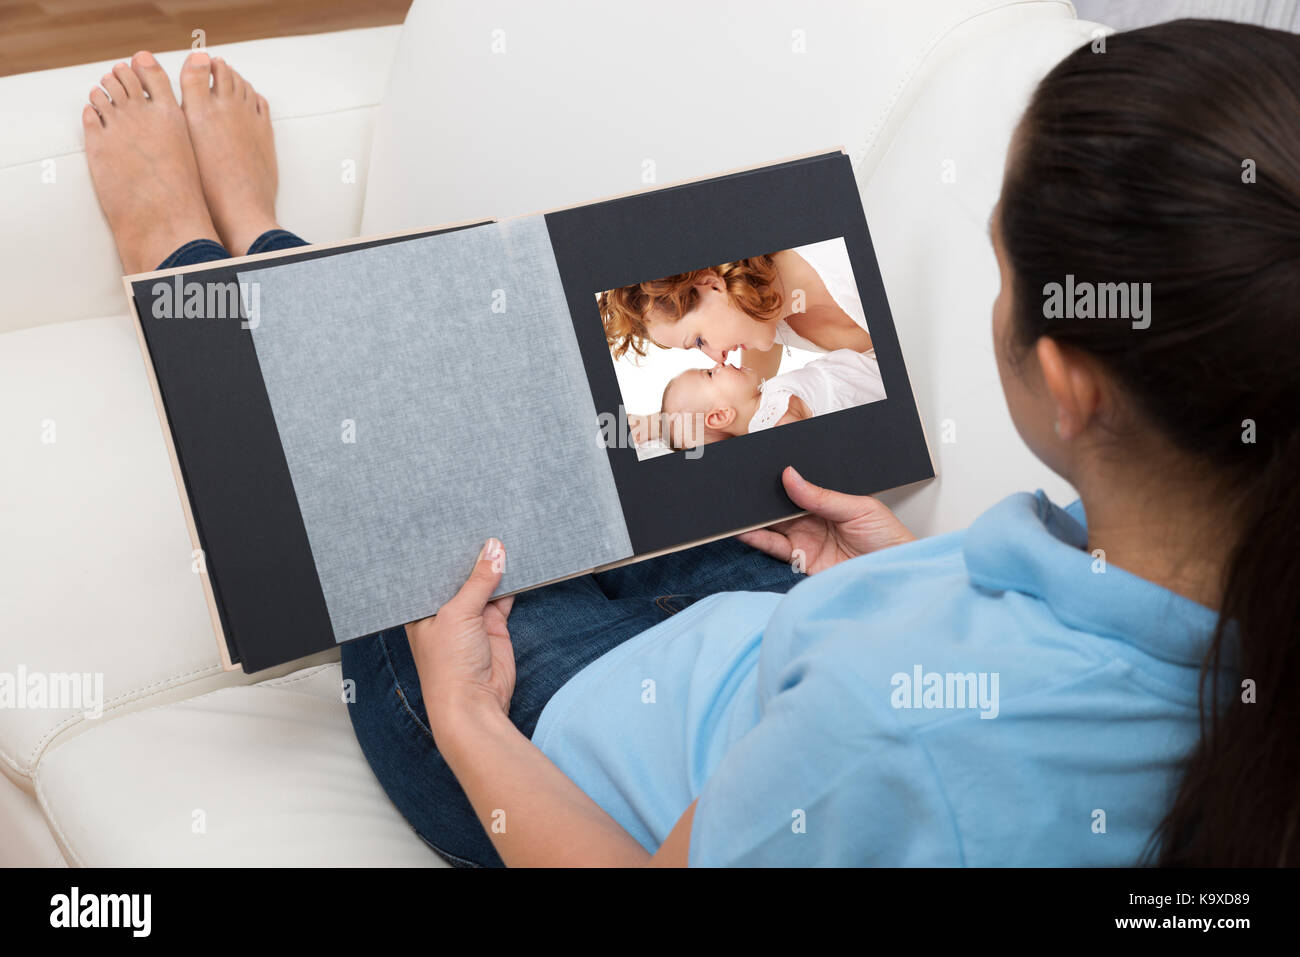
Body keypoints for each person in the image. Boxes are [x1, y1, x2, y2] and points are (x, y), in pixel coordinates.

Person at [85, 20, 1300, 868]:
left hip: (553, 736)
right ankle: (264, 254)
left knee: (390, 467)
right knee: (543, 440)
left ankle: (211, 253)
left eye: (998, 270)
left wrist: (466, 723)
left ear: (1068, 385)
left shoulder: (885, 734)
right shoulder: (1216, 581)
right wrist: (887, 582)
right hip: (768, 641)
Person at [599, 238, 872, 383]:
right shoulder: (770, 324)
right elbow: (752, 394)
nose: (718, 358)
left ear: (711, 285)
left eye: (698, 341)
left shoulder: (847, 254)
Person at [658, 348, 886, 450]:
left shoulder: (765, 400)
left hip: (865, 368)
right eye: (709, 374)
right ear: (721, 415)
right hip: (868, 386)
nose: (719, 363)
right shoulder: (769, 421)